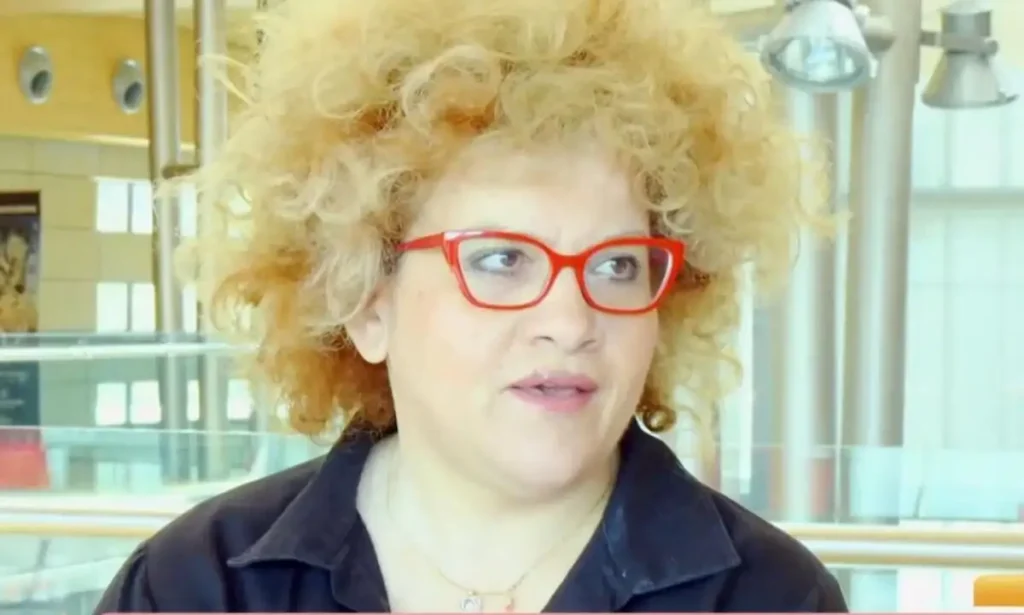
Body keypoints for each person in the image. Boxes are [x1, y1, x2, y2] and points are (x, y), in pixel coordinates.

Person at [94, 0, 845, 612]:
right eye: (501, 259)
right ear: (365, 299)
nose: (570, 322)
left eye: (617, 265)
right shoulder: (196, 586)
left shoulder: (773, 597)